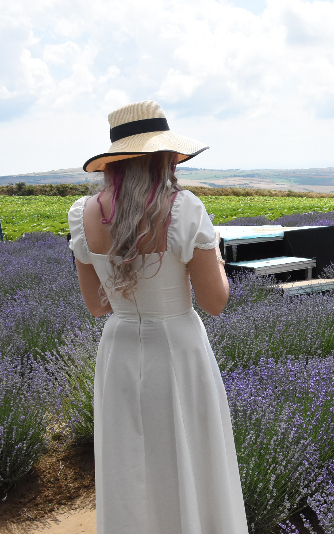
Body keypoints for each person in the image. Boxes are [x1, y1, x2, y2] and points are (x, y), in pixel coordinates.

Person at [68, 100, 247, 534]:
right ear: (165, 155)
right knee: (190, 454)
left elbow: (96, 305)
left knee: (129, 463)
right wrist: (214, 255)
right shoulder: (184, 209)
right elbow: (215, 301)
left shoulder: (83, 214)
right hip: (178, 348)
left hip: (120, 349)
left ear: (114, 161)